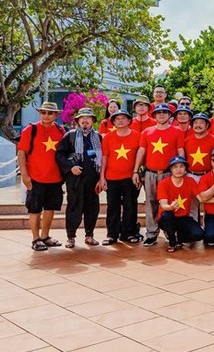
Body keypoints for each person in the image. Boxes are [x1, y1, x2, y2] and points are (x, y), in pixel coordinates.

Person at [133, 102, 185, 247]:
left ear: (169, 115)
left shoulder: (177, 131)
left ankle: (170, 232)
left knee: (170, 203)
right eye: (158, 112)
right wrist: (136, 170)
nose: (161, 114)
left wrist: (182, 170)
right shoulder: (147, 132)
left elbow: (180, 151)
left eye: (165, 112)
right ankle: (151, 233)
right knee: (150, 203)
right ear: (154, 115)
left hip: (169, 174)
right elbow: (141, 151)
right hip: (150, 173)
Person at [17, 102, 66, 251]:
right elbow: (21, 153)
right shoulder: (30, 130)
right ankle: (35, 238)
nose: (46, 115)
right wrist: (24, 174)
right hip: (35, 177)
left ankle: (45, 236)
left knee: (50, 208)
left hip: (55, 178)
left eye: (50, 113)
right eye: (43, 112)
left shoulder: (61, 130)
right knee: (34, 209)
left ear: (56, 115)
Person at [55, 108, 103, 248]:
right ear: (77, 121)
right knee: (74, 208)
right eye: (82, 118)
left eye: (88, 118)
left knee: (92, 208)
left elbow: (100, 158)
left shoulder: (98, 137)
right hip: (75, 180)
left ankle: (89, 235)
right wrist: (71, 167)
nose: (85, 121)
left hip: (92, 179)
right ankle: (71, 237)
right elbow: (60, 155)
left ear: (93, 121)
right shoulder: (70, 136)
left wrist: (101, 178)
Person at [98, 109, 141, 245]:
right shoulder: (108, 138)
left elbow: (141, 158)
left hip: (130, 178)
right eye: (117, 119)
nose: (120, 120)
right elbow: (104, 157)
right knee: (112, 206)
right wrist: (102, 177)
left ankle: (129, 233)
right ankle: (112, 234)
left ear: (129, 121)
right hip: (112, 177)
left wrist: (139, 175)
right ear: (113, 122)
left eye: (123, 118)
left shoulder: (137, 136)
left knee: (130, 205)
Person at [157, 156, 204, 252]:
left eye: (181, 166)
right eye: (175, 167)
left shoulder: (190, 181)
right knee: (167, 215)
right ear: (171, 169)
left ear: (185, 169)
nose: (178, 170)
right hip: (168, 217)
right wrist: (171, 207)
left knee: (199, 234)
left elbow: (201, 198)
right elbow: (163, 205)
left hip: (183, 217)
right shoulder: (163, 183)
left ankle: (180, 238)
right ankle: (172, 241)